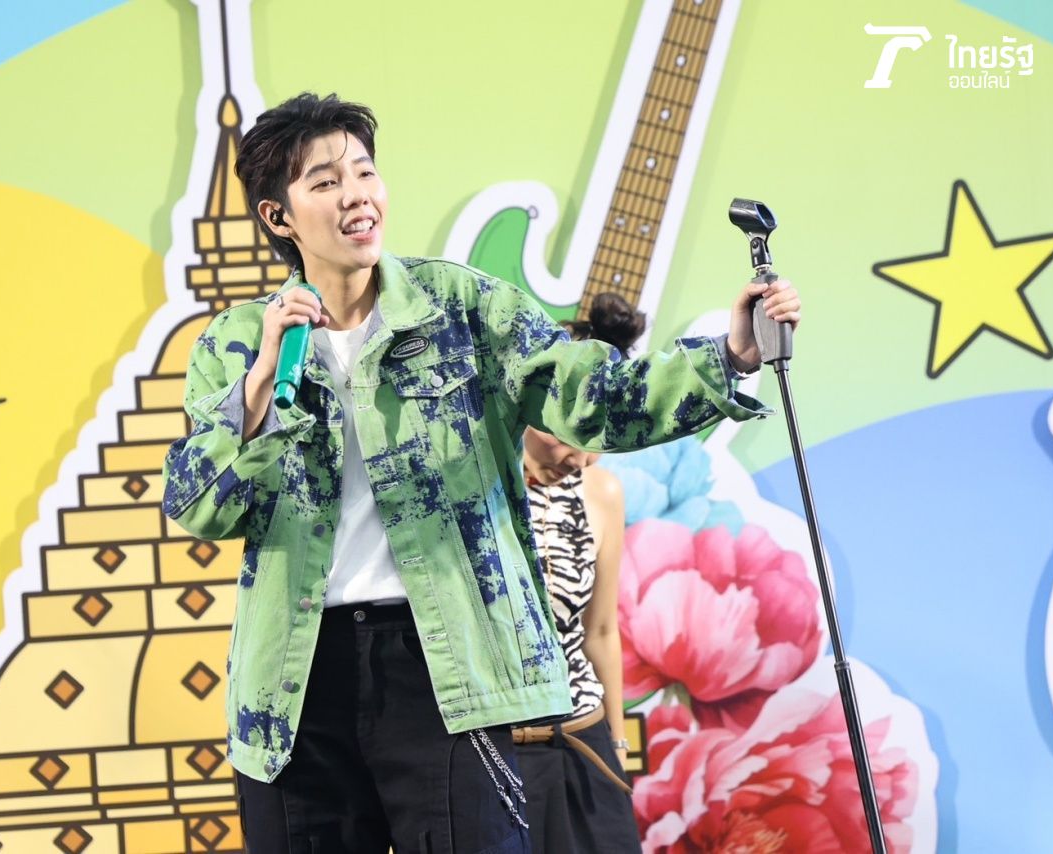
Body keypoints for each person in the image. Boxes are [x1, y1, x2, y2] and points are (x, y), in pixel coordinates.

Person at [161, 93, 801, 854]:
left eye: (364, 172)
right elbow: (200, 506)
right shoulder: (236, 343)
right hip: (295, 683)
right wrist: (262, 383)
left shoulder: (460, 307)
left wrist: (730, 355)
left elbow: (594, 397)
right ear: (279, 217)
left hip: (448, 662)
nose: (357, 195)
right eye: (326, 182)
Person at [512, 293, 646, 853]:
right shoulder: (478, 484)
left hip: (583, 740)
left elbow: (602, 631)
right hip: (494, 750)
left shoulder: (602, 491)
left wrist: (618, 743)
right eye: (571, 434)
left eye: (597, 439)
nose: (582, 457)